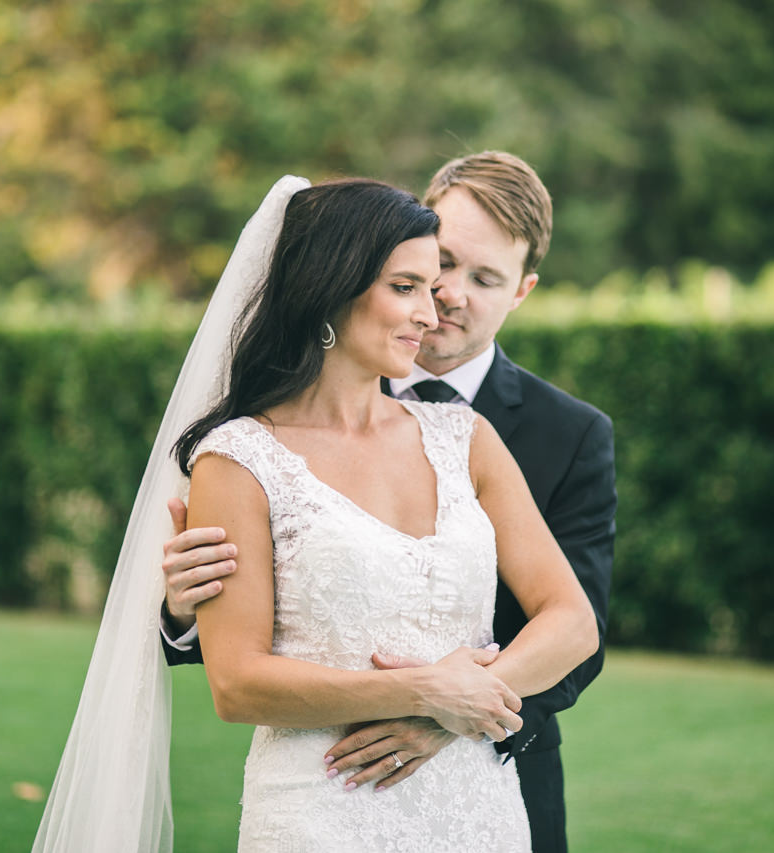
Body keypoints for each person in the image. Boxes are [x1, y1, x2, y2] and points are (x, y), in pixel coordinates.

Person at [160, 152, 616, 853]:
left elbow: (575, 625)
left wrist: (450, 709)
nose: (440, 305)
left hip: (486, 788)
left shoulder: (513, 435)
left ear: (521, 290)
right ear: (337, 284)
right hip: (327, 805)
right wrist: (183, 613)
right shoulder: (245, 453)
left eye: (478, 278)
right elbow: (239, 670)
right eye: (425, 278)